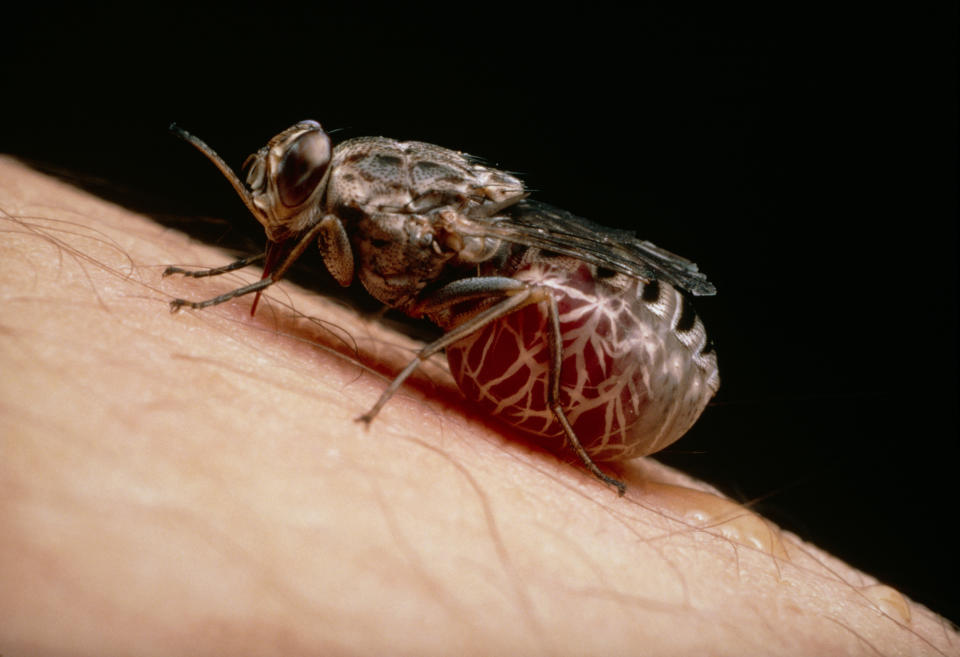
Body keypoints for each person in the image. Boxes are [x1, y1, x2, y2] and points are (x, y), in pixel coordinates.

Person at [1, 157, 954, 655]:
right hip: (593, 347)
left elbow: (498, 266)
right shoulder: (344, 209)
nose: (281, 202)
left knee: (526, 290)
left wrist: (406, 375)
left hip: (618, 345)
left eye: (289, 185)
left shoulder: (383, 210)